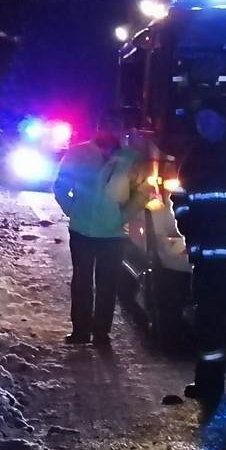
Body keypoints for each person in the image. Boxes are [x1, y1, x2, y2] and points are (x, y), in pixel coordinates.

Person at [170, 97, 226, 404]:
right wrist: (189, 231)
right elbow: (180, 199)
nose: (203, 125)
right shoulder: (193, 157)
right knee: (208, 324)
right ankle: (209, 384)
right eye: (199, 120)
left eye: (209, 118)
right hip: (207, 259)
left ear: (223, 119)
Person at [52, 111, 148, 345]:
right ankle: (80, 330)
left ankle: (101, 333)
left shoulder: (132, 159)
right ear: (99, 127)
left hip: (113, 233)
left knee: (107, 284)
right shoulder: (79, 152)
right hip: (81, 229)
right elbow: (61, 184)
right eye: (107, 125)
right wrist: (72, 209)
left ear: (122, 130)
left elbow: (142, 192)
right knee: (81, 281)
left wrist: (122, 215)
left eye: (116, 126)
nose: (111, 130)